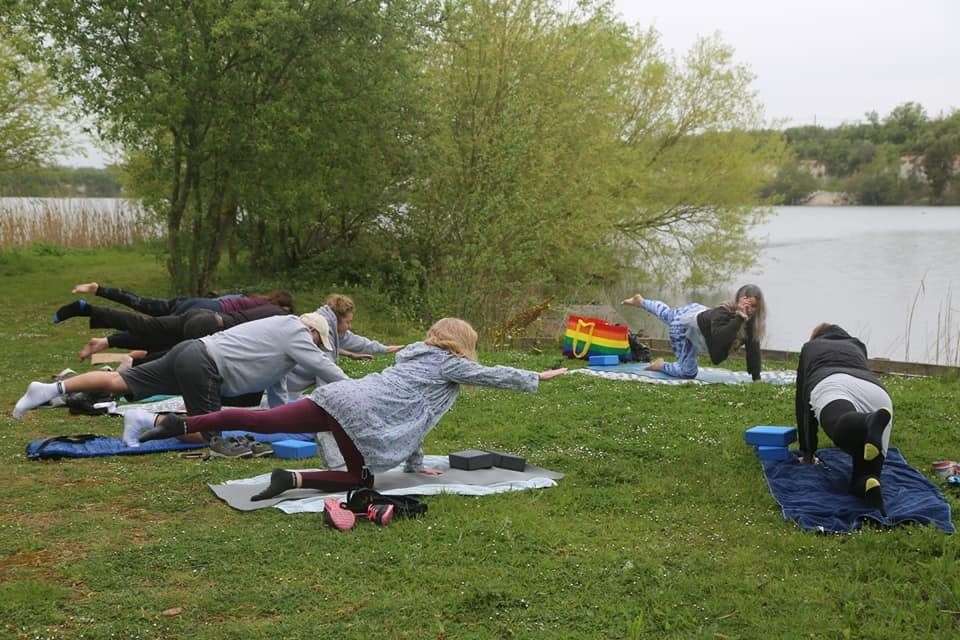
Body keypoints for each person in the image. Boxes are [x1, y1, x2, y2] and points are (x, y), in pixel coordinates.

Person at [131, 318, 567, 500]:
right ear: (462, 345)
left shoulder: (413, 356)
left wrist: (417, 461)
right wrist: (536, 378)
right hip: (358, 415)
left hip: (337, 397)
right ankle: (292, 479)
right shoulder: (451, 366)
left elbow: (420, 416)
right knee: (361, 479)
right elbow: (488, 376)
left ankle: (181, 421)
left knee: (257, 419)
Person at [13, 314, 349, 447]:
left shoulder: (283, 345)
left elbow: (278, 399)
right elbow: (326, 369)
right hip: (204, 366)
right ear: (313, 333)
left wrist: (284, 426)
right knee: (208, 434)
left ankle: (51, 389)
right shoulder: (296, 331)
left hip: (191, 351)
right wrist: (358, 392)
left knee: (120, 382)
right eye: (319, 342)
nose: (316, 347)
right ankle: (146, 419)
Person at [795, 323, 893, 514]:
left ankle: (868, 421)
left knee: (840, 423)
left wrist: (808, 452)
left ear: (815, 337)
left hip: (832, 382)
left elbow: (802, 401)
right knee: (866, 472)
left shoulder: (810, 347)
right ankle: (868, 486)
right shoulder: (857, 345)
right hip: (877, 392)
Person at [49, 300, 291, 360]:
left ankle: (86, 309)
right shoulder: (284, 323)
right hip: (211, 328)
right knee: (172, 358)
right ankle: (129, 373)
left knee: (145, 326)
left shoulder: (268, 308)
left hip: (199, 316)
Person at [621, 284, 766, 380]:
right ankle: (660, 365)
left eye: (754, 306)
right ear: (738, 300)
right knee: (688, 372)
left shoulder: (750, 322)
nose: (750, 309)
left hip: (695, 313)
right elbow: (719, 338)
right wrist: (739, 318)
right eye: (747, 304)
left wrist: (756, 378)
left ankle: (641, 301)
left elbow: (753, 349)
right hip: (684, 328)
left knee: (668, 314)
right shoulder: (723, 311)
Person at [284, 293, 404, 396]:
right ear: (337, 319)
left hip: (288, 387)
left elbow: (356, 341)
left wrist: (384, 349)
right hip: (284, 386)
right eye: (348, 322)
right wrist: (354, 390)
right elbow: (327, 374)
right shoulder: (322, 332)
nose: (350, 327)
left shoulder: (331, 325)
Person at [56, 282, 293, 320]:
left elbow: (223, 300)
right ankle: (88, 310)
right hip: (203, 313)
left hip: (192, 302)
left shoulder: (250, 298)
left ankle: (98, 289)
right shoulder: (270, 310)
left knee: (141, 303)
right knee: (144, 327)